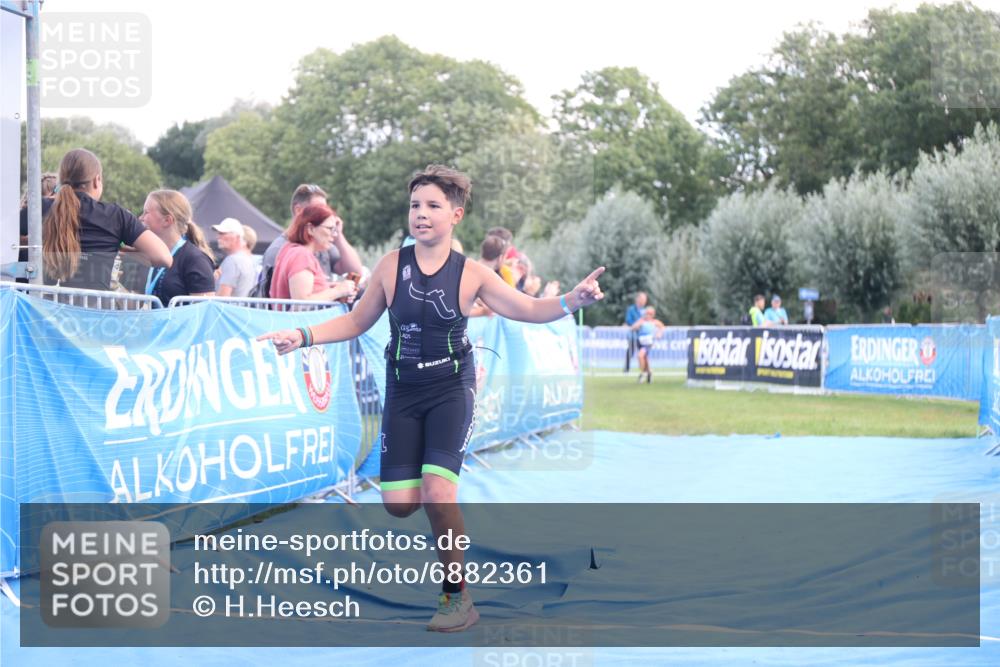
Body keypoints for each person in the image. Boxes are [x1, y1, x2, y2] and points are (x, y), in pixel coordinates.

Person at [258, 165, 605, 632]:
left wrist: (571, 301)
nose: (420, 214)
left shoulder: (473, 274)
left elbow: (528, 309)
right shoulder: (389, 266)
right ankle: (439, 499)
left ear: (456, 215)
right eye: (415, 205)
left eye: (433, 206)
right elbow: (357, 322)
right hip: (403, 390)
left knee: (439, 491)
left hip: (451, 389)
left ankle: (455, 597)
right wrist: (303, 335)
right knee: (400, 503)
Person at [41, 149, 172, 290]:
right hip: (93, 309)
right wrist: (121, 247)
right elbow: (164, 258)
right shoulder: (116, 216)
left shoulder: (40, 208)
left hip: (45, 308)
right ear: (97, 181)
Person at [260, 184, 363, 288]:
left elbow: (355, 271)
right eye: (318, 209)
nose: (324, 214)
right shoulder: (278, 250)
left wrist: (337, 234)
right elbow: (285, 298)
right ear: (298, 210)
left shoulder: (321, 244)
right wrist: (336, 291)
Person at [269, 203, 358, 303]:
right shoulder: (302, 255)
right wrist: (337, 291)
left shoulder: (290, 249)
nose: (335, 235)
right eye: (330, 229)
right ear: (310, 229)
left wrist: (330, 288)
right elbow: (302, 302)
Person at [140, 190, 216, 306]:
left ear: (167, 220)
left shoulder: (196, 260)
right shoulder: (157, 254)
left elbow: (204, 313)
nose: (141, 218)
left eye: (146, 212)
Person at [213, 217, 257, 297]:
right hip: (242, 308)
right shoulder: (247, 259)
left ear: (237, 237)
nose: (218, 237)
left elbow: (223, 297)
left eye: (223, 233)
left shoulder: (232, 261)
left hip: (228, 309)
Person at [630, 306, 666, 383]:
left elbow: (662, 327)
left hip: (648, 343)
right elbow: (633, 328)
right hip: (640, 342)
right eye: (647, 313)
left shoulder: (654, 322)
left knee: (640, 355)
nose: (648, 315)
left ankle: (642, 374)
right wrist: (637, 325)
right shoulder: (641, 321)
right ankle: (649, 373)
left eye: (650, 314)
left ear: (653, 315)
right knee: (645, 359)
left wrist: (659, 333)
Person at [623, 291, 648, 373]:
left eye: (645, 299)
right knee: (630, 352)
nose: (644, 301)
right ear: (638, 299)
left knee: (643, 353)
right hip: (632, 336)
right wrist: (637, 324)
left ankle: (644, 370)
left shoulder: (645, 311)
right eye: (643, 299)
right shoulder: (631, 309)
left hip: (642, 336)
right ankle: (626, 369)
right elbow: (628, 321)